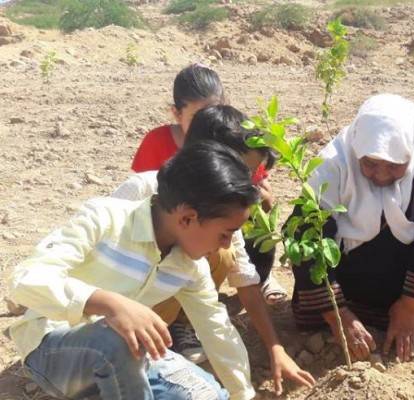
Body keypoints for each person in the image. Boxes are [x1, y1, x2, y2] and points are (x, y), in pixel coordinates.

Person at [9, 141, 259, 400]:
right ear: (187, 218)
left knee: (208, 395)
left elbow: (216, 329)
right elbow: (26, 281)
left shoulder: (189, 266)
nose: (226, 245)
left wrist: (243, 394)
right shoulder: (106, 218)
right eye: (224, 234)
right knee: (115, 341)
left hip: (130, 357)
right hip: (53, 351)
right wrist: (111, 304)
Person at [113, 105, 315, 394]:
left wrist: (275, 348)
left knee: (224, 253)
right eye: (242, 170)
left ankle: (175, 328)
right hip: (105, 317)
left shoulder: (216, 217)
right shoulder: (141, 193)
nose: (246, 182)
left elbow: (242, 284)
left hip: (150, 307)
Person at [291, 94, 414, 363]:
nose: (381, 175)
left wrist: (410, 305)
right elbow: (306, 237)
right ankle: (349, 316)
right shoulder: (333, 162)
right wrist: (337, 314)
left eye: (395, 166)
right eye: (370, 164)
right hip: (353, 274)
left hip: (409, 267)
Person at [130, 64, 287, 305]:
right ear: (176, 113)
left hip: (215, 229)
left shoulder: (233, 139)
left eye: (213, 111)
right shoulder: (155, 151)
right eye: (197, 116)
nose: (207, 121)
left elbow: (257, 187)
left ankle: (261, 277)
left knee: (243, 229)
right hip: (171, 240)